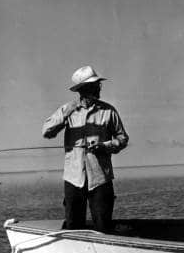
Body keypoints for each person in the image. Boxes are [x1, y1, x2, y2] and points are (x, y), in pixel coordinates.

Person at [42, 65, 129, 232]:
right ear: (82, 89)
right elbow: (47, 131)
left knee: (104, 228)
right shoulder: (68, 110)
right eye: (94, 85)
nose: (98, 87)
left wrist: (105, 146)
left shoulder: (108, 111)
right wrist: (67, 111)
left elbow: (122, 139)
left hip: (100, 178)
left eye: (98, 84)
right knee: (73, 228)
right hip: (73, 179)